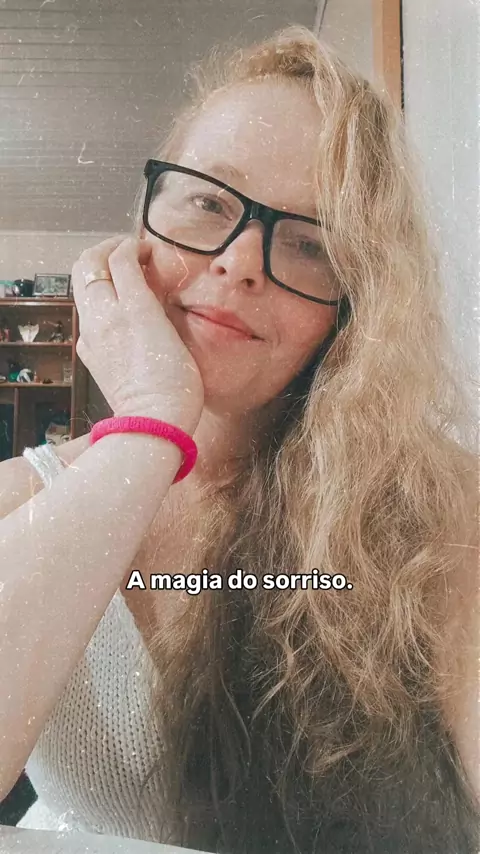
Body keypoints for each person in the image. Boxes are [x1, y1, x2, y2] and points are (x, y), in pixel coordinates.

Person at [0, 25, 478, 854]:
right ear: (143, 227)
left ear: (357, 300)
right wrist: (149, 424)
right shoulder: (23, 497)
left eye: (311, 242)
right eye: (208, 203)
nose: (239, 261)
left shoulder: (447, 514)